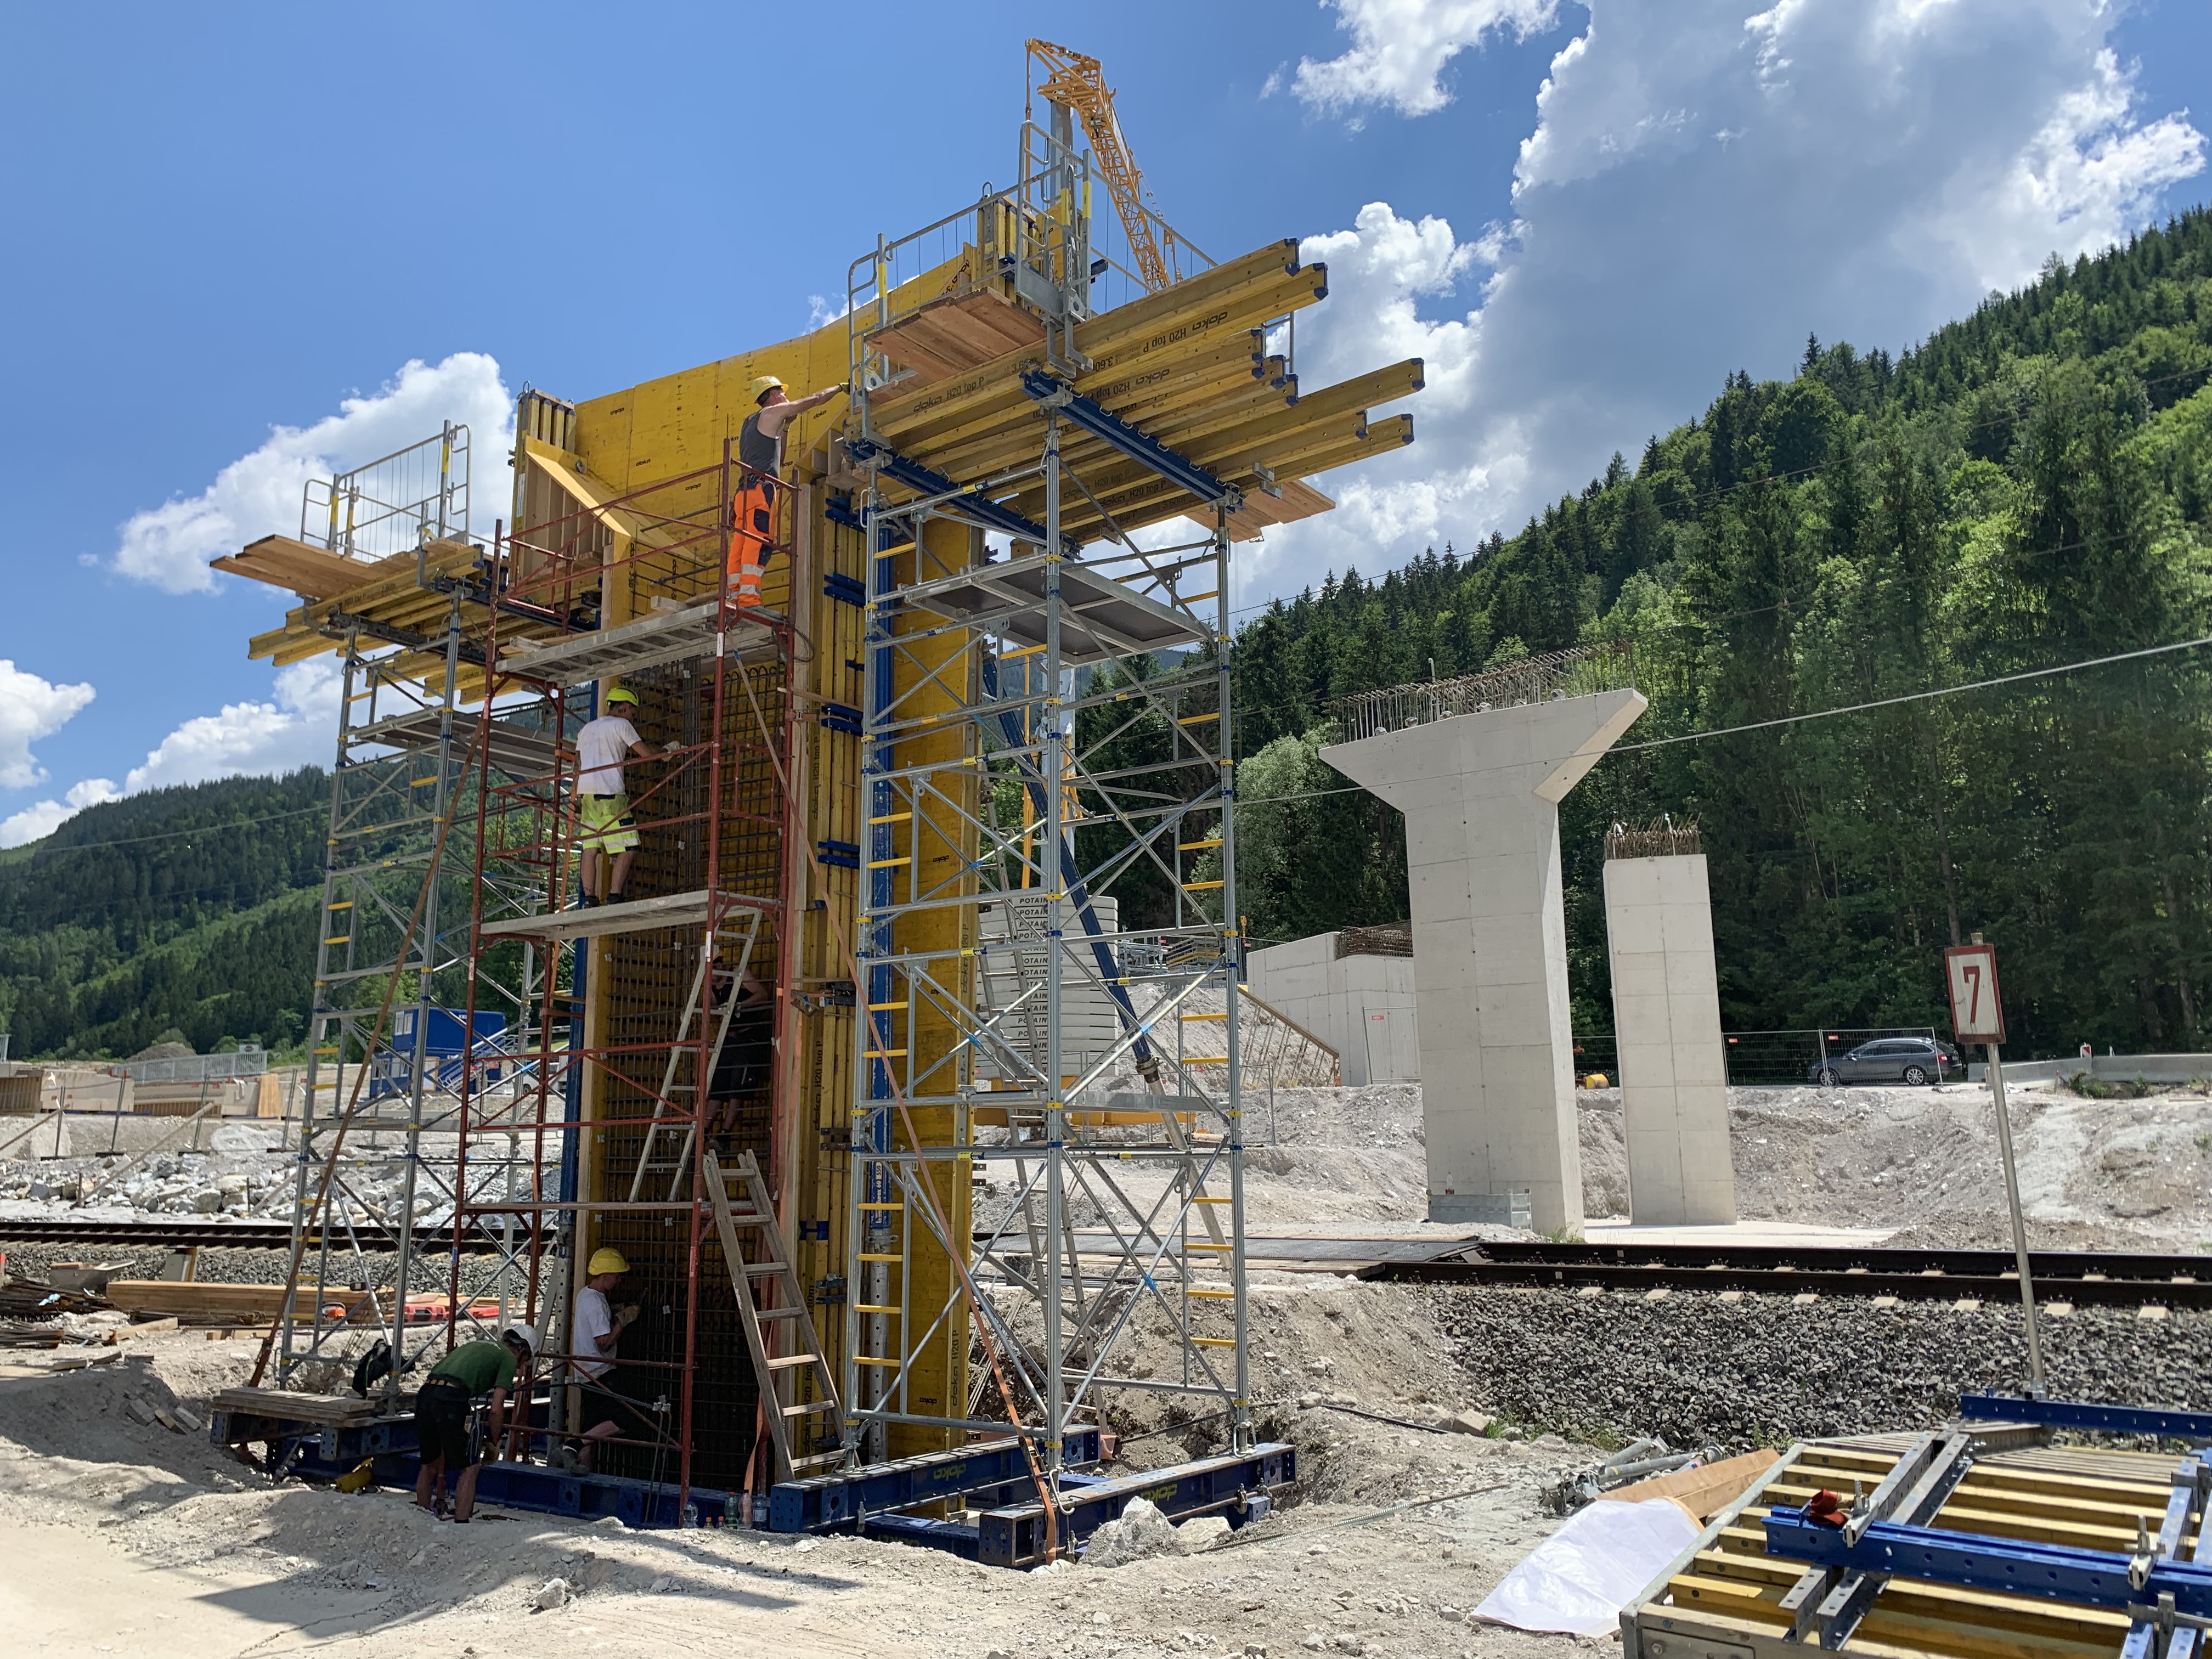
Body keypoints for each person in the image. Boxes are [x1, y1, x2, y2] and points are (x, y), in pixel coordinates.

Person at [729, 376, 842, 607]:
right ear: (773, 394)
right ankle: (749, 597)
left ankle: (733, 594)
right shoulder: (774, 412)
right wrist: (840, 387)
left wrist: (787, 428)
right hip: (761, 489)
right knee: (757, 542)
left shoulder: (750, 422)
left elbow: (777, 458)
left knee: (741, 542)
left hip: (743, 492)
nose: (785, 395)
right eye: (782, 391)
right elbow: (815, 400)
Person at [414, 1323, 534, 1522]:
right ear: (521, 1350)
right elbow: (496, 1409)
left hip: (426, 1394)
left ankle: (421, 1518)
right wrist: (495, 1442)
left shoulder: (479, 1346)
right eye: (524, 1362)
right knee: (470, 1466)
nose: (520, 1367)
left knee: (430, 1463)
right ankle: (462, 1523)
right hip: (452, 1398)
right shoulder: (507, 1358)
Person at [574, 685, 669, 907]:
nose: (633, 719)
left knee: (590, 847)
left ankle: (588, 899)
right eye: (633, 714)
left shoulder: (586, 729)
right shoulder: (621, 725)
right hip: (609, 794)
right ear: (625, 708)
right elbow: (645, 755)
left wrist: (575, 795)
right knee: (629, 846)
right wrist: (666, 752)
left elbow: (577, 765)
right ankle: (615, 896)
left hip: (587, 796)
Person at [569, 1246, 647, 1473]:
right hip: (600, 1372)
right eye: (616, 1275)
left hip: (586, 1373)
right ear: (605, 1275)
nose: (619, 1280)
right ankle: (571, 1446)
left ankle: (582, 1471)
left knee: (592, 1428)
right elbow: (604, 1342)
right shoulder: (595, 1303)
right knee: (626, 1421)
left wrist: (612, 1313)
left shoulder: (586, 1295)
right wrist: (622, 1322)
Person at [706, 967, 776, 1138]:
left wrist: (738, 1006)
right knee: (718, 1086)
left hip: (750, 1036)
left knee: (739, 1083)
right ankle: (703, 1132)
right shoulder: (711, 986)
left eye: (713, 969)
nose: (710, 975)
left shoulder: (739, 973)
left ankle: (725, 1133)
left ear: (720, 966)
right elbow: (712, 1010)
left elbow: (763, 995)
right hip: (731, 1038)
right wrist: (718, 1019)